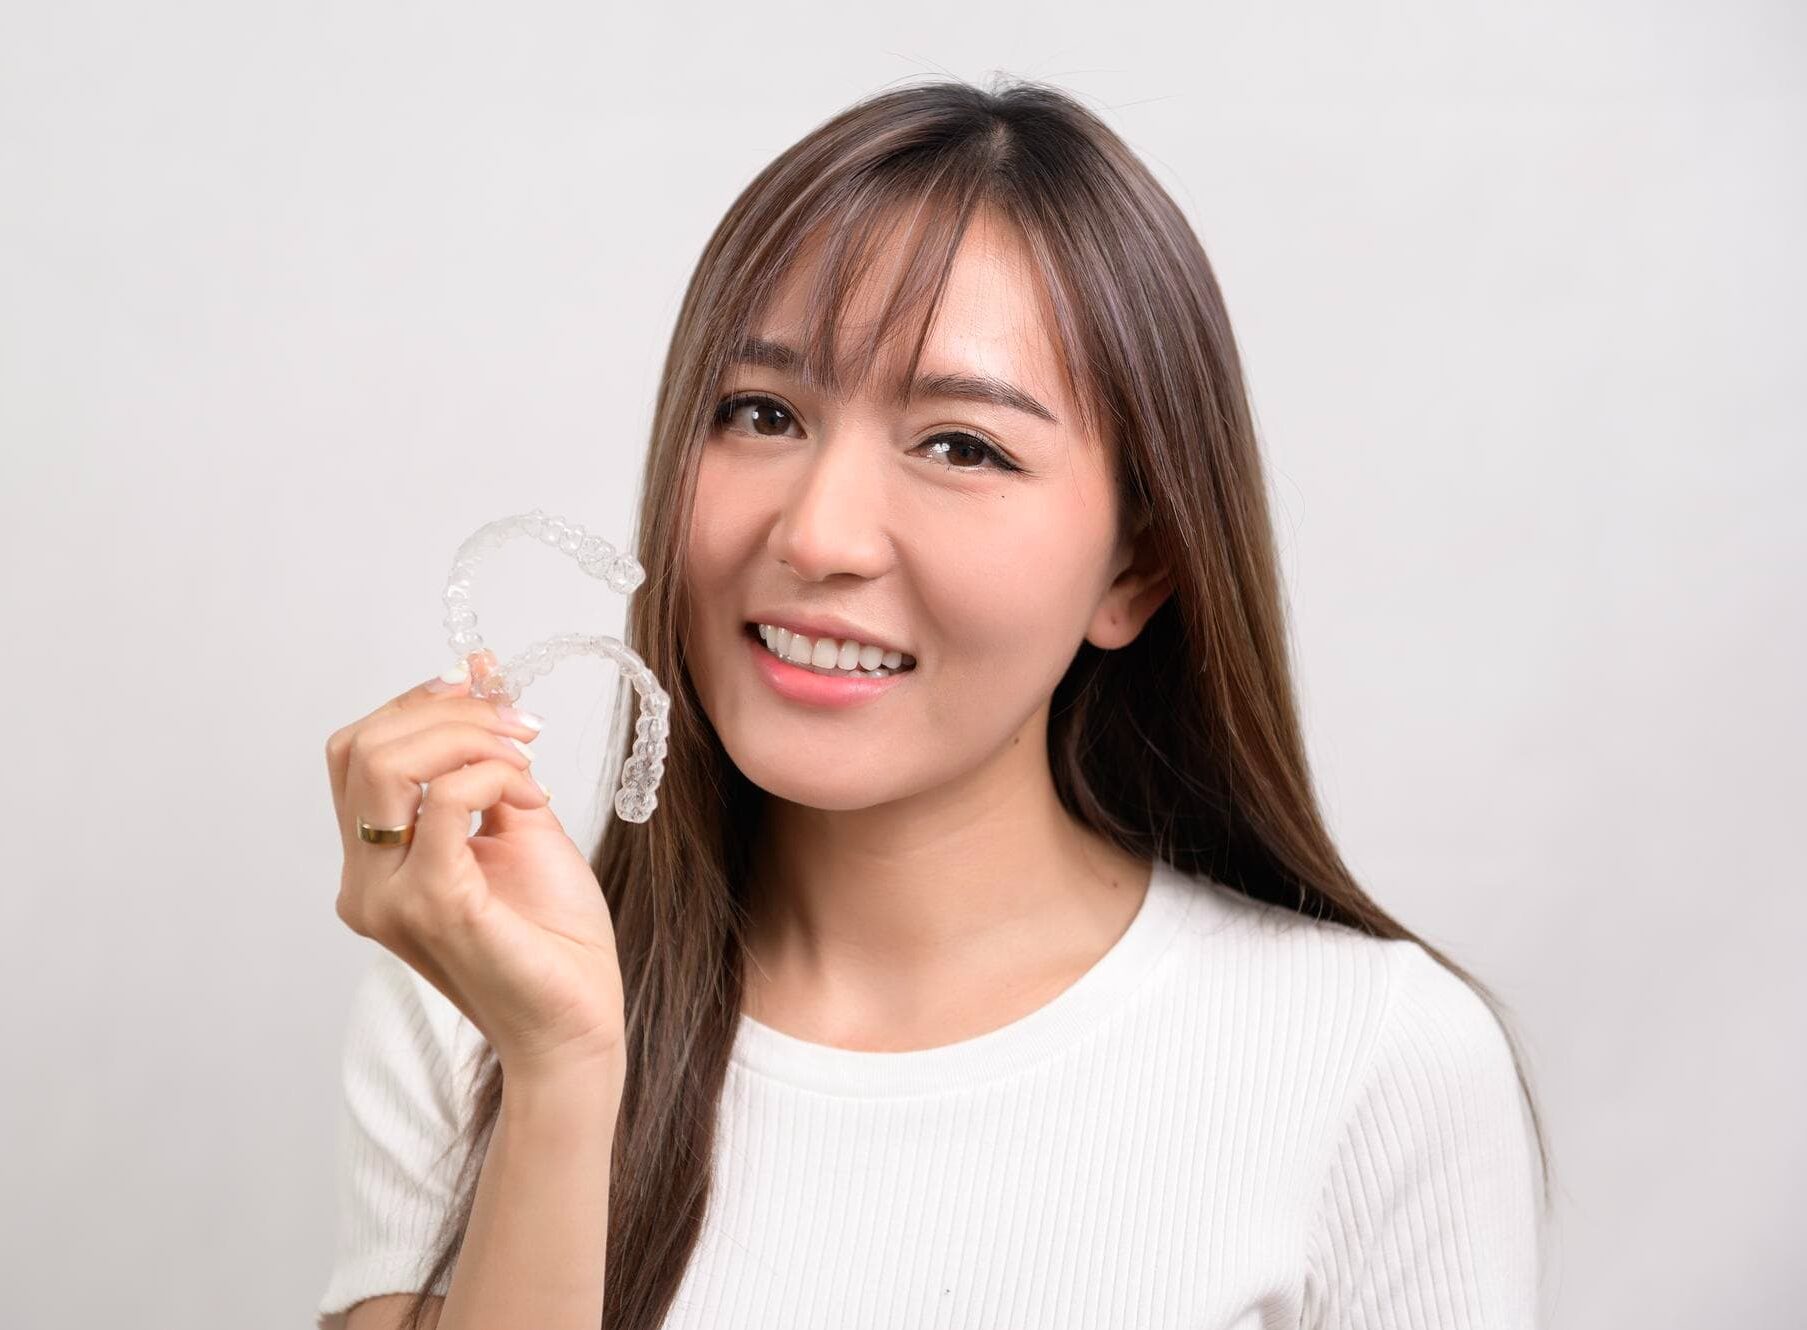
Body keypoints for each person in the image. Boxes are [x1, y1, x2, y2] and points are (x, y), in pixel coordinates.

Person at [318, 76, 1550, 1330]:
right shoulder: (474, 1009)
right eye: (761, 414)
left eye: (962, 445)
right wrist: (563, 1068)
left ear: (1135, 569)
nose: (818, 534)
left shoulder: (1374, 1059)